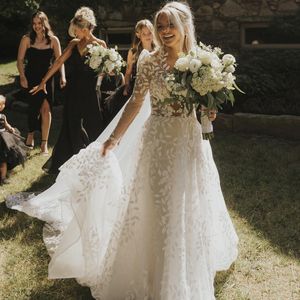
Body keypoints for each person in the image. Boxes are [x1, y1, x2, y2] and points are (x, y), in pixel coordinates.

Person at [7, 2, 238, 299]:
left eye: (170, 26)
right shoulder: (148, 61)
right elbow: (136, 102)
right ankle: (152, 271)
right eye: (161, 26)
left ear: (184, 28)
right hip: (157, 140)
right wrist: (113, 139)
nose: (165, 31)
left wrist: (209, 109)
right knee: (156, 202)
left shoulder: (199, 61)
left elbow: (201, 105)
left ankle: (182, 271)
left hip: (188, 142)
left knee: (187, 203)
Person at [31, 7, 107, 174]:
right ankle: (71, 160)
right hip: (73, 90)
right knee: (71, 124)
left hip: (91, 92)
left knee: (94, 125)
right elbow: (58, 62)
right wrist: (44, 81)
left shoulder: (100, 45)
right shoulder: (73, 44)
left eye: (77, 30)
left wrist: (109, 70)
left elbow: (106, 70)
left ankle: (99, 161)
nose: (75, 34)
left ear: (85, 29)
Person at [17, 11, 66, 155]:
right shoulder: (26, 39)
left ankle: (44, 144)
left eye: (39, 23)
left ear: (45, 23)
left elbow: (60, 61)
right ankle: (31, 134)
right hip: (31, 78)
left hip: (47, 78)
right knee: (33, 109)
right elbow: (20, 60)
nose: (36, 26)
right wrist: (22, 76)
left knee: (46, 109)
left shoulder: (53, 40)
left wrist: (62, 77)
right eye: (34, 23)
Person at [123, 19, 157, 97]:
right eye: (144, 34)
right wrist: (126, 86)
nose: (148, 36)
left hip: (154, 89)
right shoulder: (133, 52)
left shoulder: (158, 50)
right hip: (137, 88)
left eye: (149, 33)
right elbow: (128, 72)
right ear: (138, 35)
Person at [0, 96, 28, 185]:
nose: (2, 106)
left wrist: (10, 128)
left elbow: (6, 124)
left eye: (2, 104)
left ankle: (3, 178)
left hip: (3, 140)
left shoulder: (2, 116)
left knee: (3, 160)